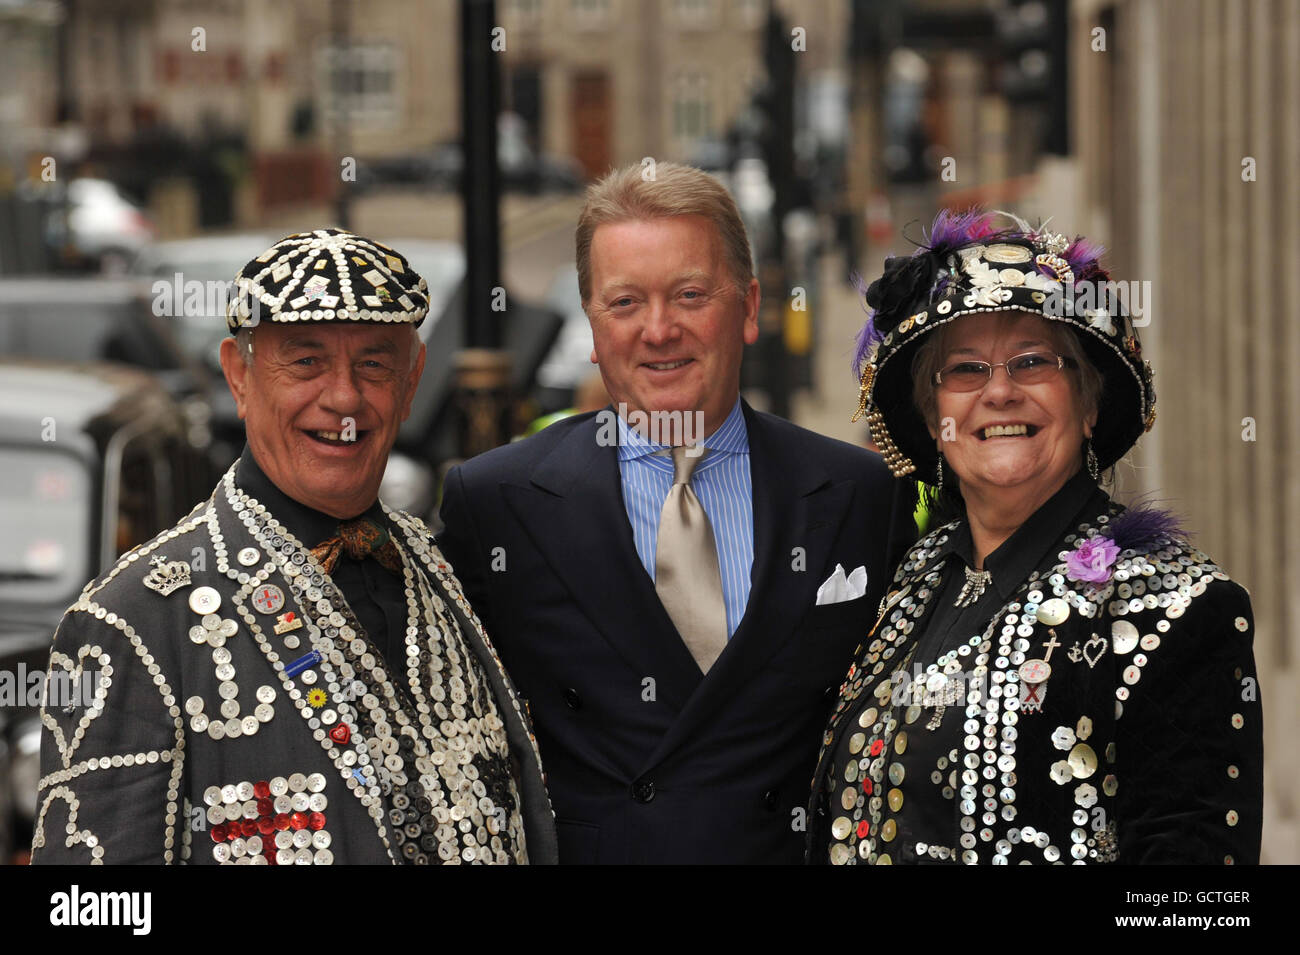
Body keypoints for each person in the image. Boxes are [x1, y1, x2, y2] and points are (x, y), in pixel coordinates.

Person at [31, 229, 556, 865]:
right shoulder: (132, 620)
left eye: (373, 363)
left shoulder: (450, 573)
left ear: (413, 378)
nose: (343, 398)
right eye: (305, 362)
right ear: (238, 375)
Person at [437, 162, 913, 864]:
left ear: (749, 308)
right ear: (593, 327)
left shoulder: (861, 490)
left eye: (691, 294)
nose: (658, 330)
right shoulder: (497, 503)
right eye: (625, 302)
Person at [810, 210, 1263, 864]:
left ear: (1088, 403)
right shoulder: (909, 582)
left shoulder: (1181, 611)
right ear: (934, 416)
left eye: (1032, 361)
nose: (999, 393)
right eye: (965, 370)